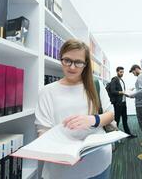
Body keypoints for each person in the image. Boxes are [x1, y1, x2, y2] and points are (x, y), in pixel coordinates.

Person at [35, 39, 114, 179]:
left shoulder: (96, 85)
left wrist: (92, 119)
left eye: (78, 62)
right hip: (62, 169)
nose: (72, 67)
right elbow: (43, 131)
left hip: (99, 162)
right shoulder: (47, 91)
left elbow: (110, 115)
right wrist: (62, 153)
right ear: (61, 59)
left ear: (85, 64)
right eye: (67, 60)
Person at [109, 66, 137, 138]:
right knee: (117, 120)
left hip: (123, 103)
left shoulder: (121, 80)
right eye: (120, 72)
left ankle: (128, 134)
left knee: (125, 119)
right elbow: (113, 91)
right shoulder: (114, 80)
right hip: (118, 104)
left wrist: (128, 91)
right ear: (117, 72)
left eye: (123, 72)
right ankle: (113, 137)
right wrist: (123, 92)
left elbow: (122, 92)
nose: (122, 73)